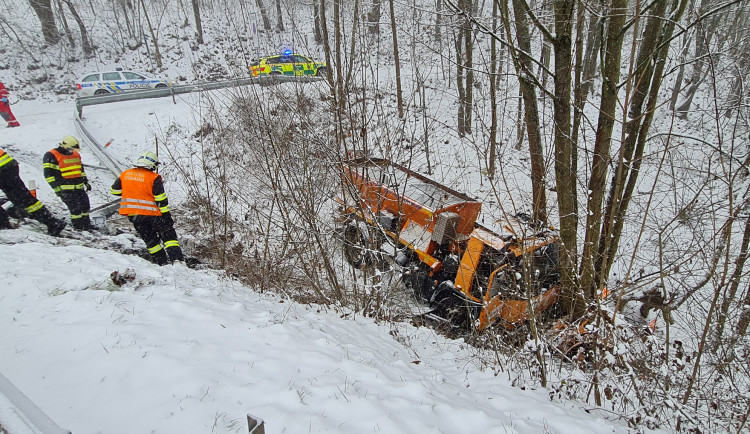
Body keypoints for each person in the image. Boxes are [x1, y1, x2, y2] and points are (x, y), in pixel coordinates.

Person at [110, 151, 184, 265]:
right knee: (168, 236)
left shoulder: (125, 174)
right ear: (152, 165)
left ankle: (161, 262)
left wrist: (131, 190)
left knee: (150, 240)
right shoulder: (153, 178)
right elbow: (161, 200)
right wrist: (166, 217)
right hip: (154, 215)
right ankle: (177, 261)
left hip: (135, 216)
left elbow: (114, 191)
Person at [0, 148, 67, 235]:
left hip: (4, 171)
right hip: (7, 168)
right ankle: (52, 222)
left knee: (23, 199)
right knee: (23, 199)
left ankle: (3, 224)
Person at [43, 135, 94, 231]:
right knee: (75, 209)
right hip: (65, 189)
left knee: (85, 206)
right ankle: (78, 227)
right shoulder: (51, 155)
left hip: (79, 187)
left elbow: (80, 170)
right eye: (70, 149)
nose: (71, 151)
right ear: (64, 146)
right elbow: (49, 175)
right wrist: (57, 189)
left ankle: (86, 225)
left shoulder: (75, 155)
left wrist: (85, 182)